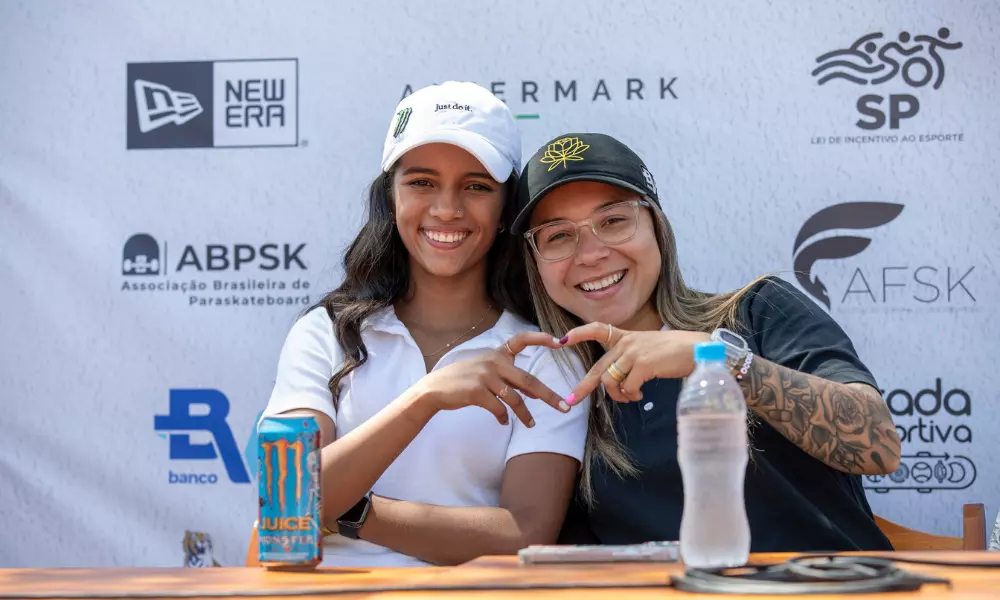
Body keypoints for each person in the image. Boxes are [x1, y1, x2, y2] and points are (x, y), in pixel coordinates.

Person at [510, 132, 903, 552]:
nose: (590, 253)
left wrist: (716, 358)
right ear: (535, 262)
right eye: (558, 236)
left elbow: (877, 446)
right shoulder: (556, 390)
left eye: (613, 221)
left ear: (657, 228)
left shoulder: (756, 309)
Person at [258, 83, 589, 568]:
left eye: (476, 186)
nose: (447, 209)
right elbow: (285, 504)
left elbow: (526, 533)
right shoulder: (325, 333)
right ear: (390, 198)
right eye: (422, 182)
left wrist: (351, 509)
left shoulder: (543, 353)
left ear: (504, 209)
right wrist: (427, 397)